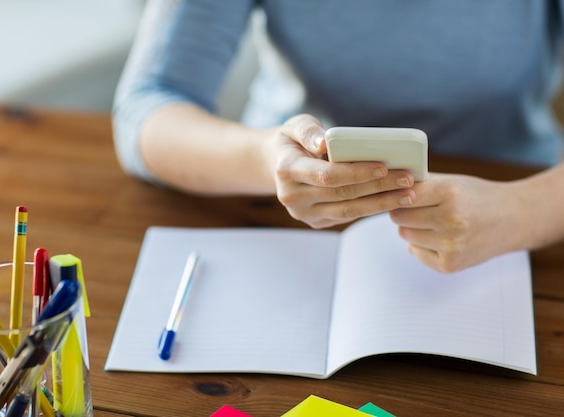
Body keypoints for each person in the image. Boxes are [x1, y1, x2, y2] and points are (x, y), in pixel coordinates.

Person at [112, 0, 564, 273]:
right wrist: (268, 159)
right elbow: (149, 105)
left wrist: (520, 214)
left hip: (521, 201)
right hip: (283, 212)